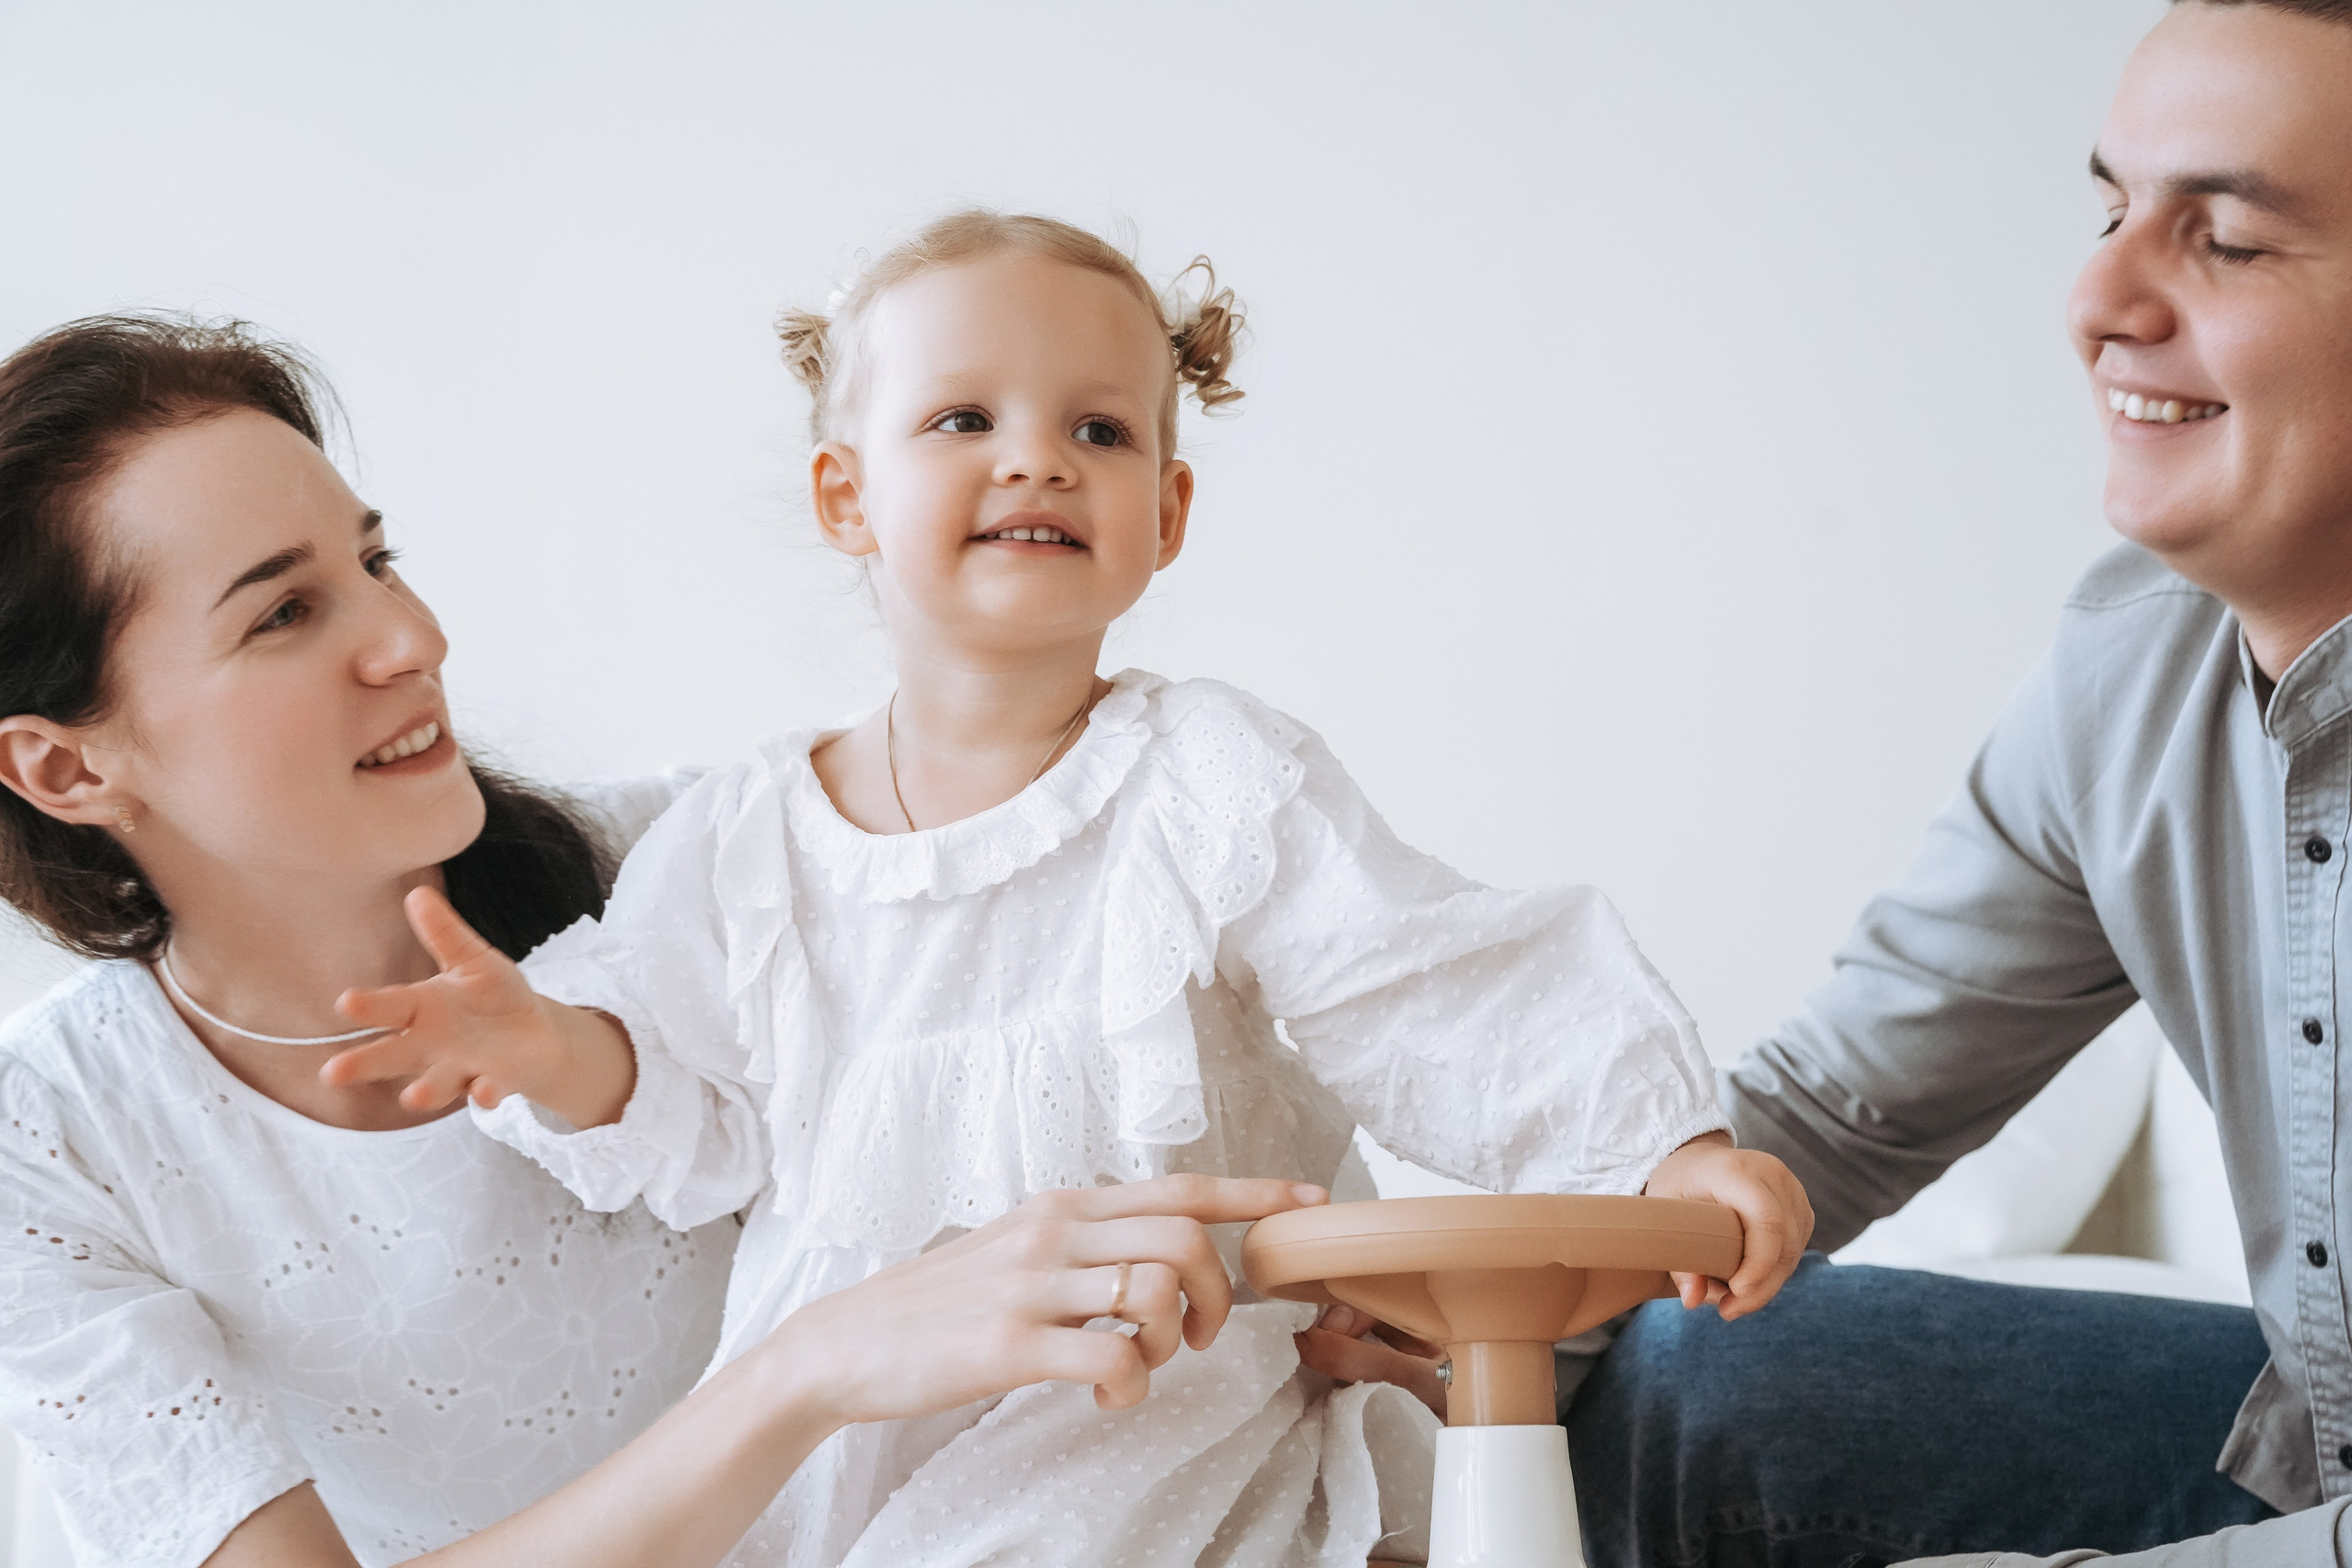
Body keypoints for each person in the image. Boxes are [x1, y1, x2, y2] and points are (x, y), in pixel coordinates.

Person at [321, 209, 1817, 1567]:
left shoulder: (1210, 781)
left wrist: (1662, 1149)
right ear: (847, 496)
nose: (1035, 457)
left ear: (1165, 518)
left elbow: (1429, 977)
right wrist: (539, 1047)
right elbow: (684, 1092)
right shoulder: (746, 835)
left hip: (1143, 1395)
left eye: (1097, 429)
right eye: (964, 416)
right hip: (852, 1424)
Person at [0, 314, 1327, 1568]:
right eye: (284, 613)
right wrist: (812, 1370)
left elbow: (1179, 1031)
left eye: (378, 563)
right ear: (64, 771)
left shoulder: (729, 866)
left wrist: (1328, 1291)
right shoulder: (48, 1145)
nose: (413, 640)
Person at [1550, 2, 2352, 1563]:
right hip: (2315, 1427)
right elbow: (1826, 1121)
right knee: (1676, 1366)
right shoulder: (2129, 670)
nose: (2098, 298)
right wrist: (1466, 1342)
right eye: (2113, 209)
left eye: (2228, 242)